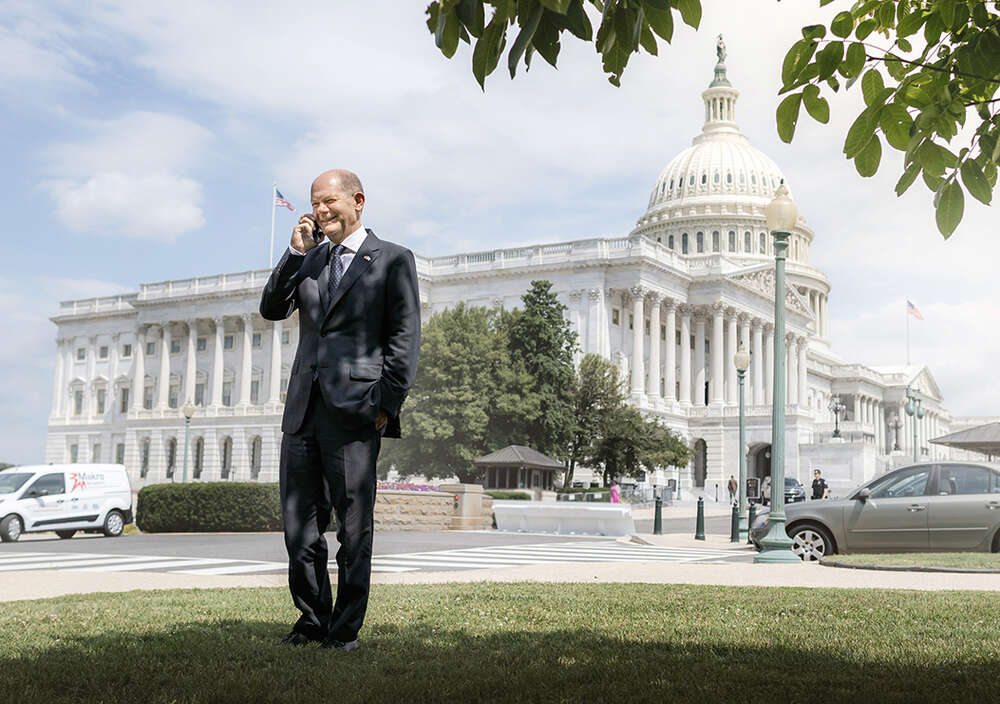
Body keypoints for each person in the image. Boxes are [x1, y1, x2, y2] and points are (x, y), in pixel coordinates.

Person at [260, 169, 420, 651]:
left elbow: (404, 338)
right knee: (299, 530)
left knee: (353, 530)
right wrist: (293, 254)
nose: (320, 211)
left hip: (355, 411)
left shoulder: (392, 259)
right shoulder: (309, 261)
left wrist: (384, 405)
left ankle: (344, 631)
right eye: (315, 203)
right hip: (303, 412)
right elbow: (271, 308)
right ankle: (312, 620)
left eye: (329, 201)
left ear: (358, 201)